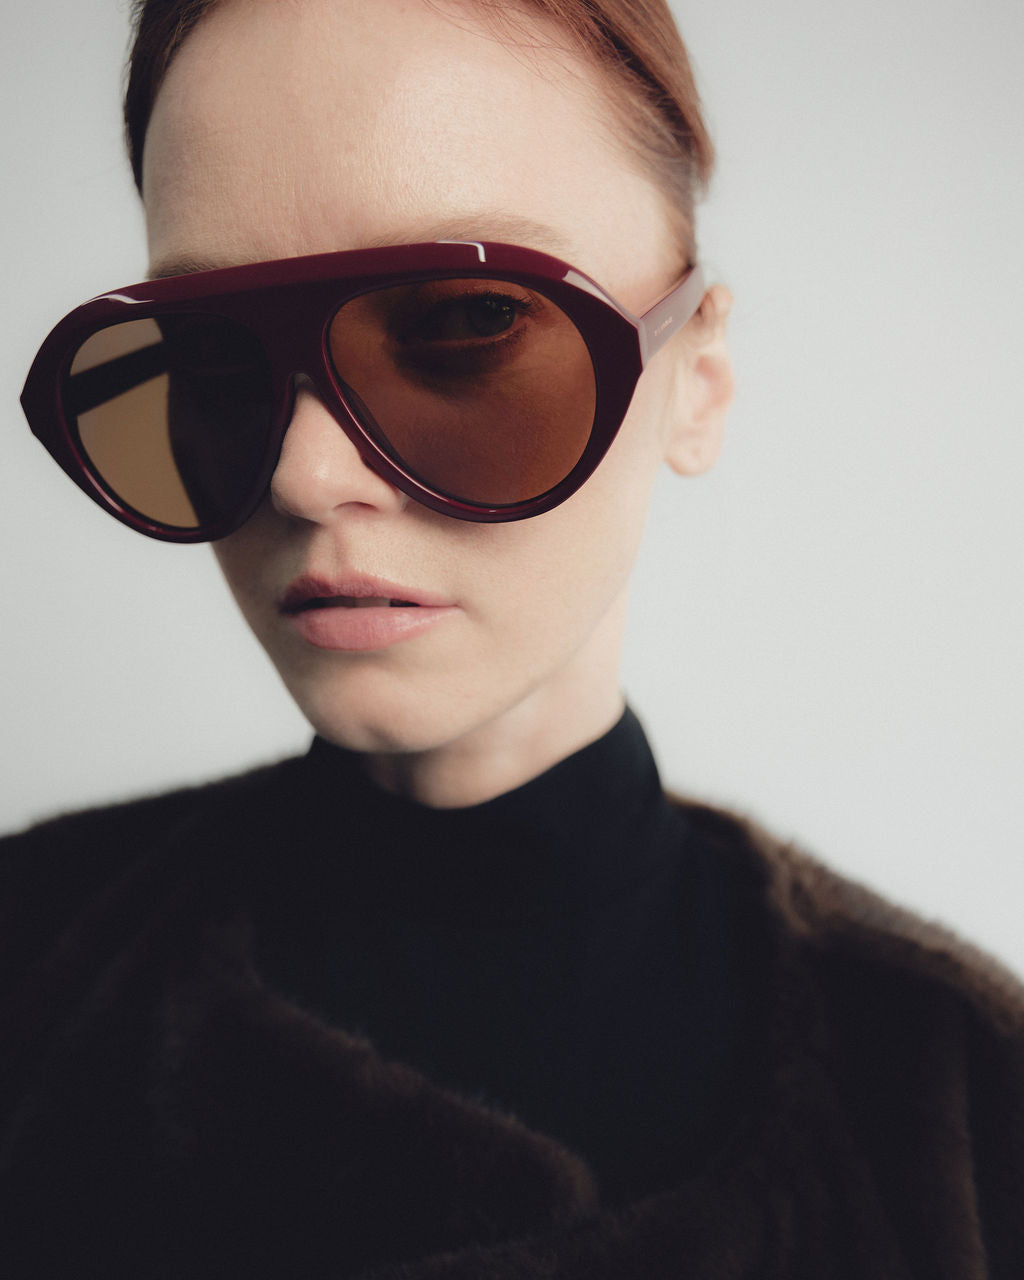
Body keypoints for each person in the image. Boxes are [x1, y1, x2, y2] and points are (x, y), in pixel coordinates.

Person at [3, 0, 1022, 1276]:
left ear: (695, 376)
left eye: (466, 320)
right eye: (210, 355)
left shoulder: (965, 1096)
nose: (306, 475)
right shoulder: (28, 963)